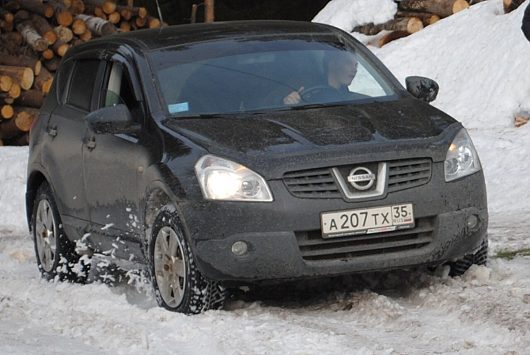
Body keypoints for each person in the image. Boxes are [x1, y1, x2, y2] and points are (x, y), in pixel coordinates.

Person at [283, 50, 358, 105]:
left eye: (356, 65)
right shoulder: (308, 92)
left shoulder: (348, 97)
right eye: (348, 63)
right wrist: (288, 102)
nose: (355, 70)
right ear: (332, 64)